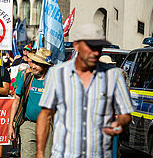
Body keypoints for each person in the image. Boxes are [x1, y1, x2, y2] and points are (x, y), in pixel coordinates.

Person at [36, 23, 134, 158]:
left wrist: (119, 123)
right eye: (90, 47)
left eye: (98, 48)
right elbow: (45, 115)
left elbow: (126, 114)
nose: (95, 53)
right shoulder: (56, 74)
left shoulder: (114, 75)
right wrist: (40, 153)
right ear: (76, 46)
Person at [8, 48, 53, 158]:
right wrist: (11, 125)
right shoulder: (26, 77)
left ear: (45, 66)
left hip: (48, 126)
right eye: (33, 62)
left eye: (37, 64)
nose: (33, 66)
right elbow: (16, 101)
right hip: (28, 124)